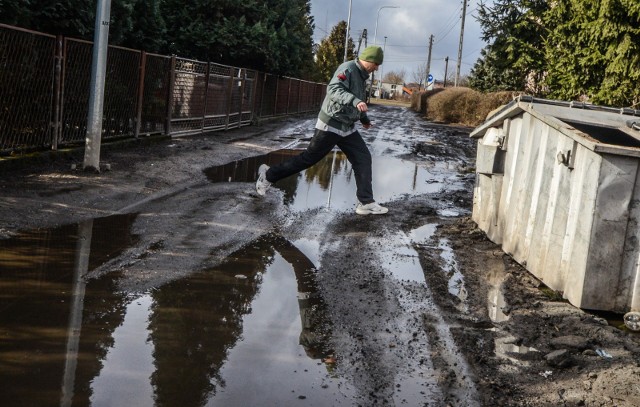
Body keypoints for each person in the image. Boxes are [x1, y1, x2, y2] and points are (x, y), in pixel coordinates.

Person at [255, 45, 388, 215]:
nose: (377, 68)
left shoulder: (362, 76)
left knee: (363, 158)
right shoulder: (348, 68)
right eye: (376, 64)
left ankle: (366, 202)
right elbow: (333, 90)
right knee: (308, 159)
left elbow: (359, 100)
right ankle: (268, 176)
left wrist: (364, 119)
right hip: (331, 123)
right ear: (368, 59)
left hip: (347, 127)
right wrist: (354, 101)